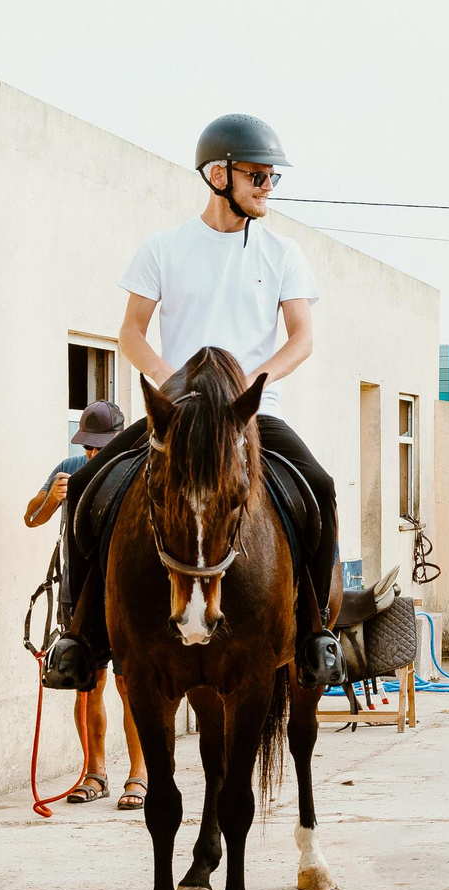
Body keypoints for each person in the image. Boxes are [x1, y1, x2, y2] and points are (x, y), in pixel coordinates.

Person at [38, 114, 349, 694]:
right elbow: (131, 333)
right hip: (177, 417)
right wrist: (171, 386)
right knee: (84, 488)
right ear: (217, 174)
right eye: (256, 175)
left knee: (322, 487)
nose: (267, 186)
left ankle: (315, 633)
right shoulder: (164, 248)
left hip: (252, 416)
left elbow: (302, 338)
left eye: (271, 177)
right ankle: (78, 636)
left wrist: (249, 385)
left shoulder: (285, 254)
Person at [26, 401, 144, 805]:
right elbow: (31, 518)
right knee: (87, 685)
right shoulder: (70, 467)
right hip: (80, 594)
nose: (93, 455)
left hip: (127, 592)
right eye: (89, 448)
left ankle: (139, 775)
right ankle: (94, 773)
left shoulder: (137, 466)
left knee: (132, 686)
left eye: (100, 447)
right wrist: (52, 499)